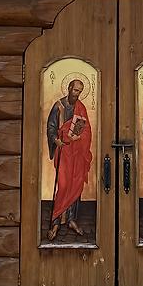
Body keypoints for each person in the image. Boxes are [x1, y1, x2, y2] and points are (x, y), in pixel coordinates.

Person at [46, 78, 92, 239]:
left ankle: (72, 219)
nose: (77, 94)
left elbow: (87, 130)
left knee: (76, 183)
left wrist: (80, 137)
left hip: (77, 151)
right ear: (69, 88)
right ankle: (56, 221)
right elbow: (51, 127)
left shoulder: (81, 107)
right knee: (64, 185)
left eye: (79, 91)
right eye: (75, 90)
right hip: (64, 150)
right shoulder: (58, 106)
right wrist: (56, 139)